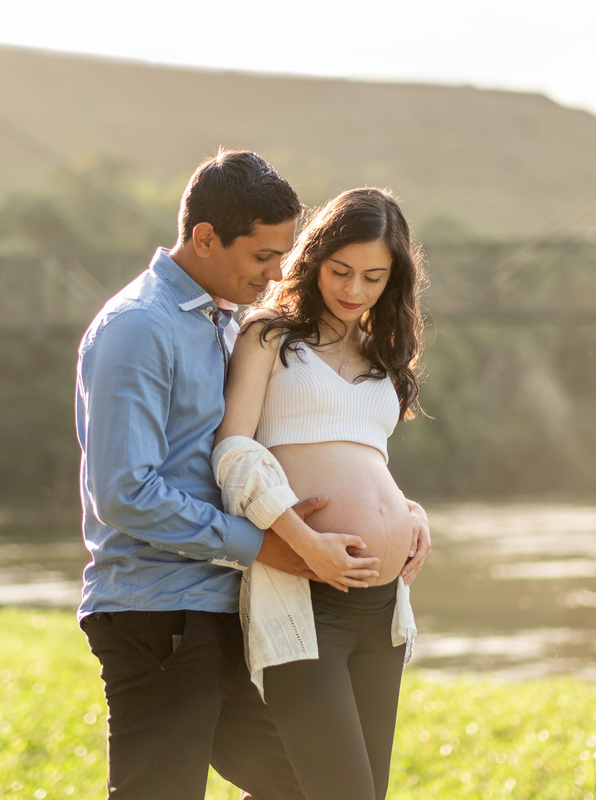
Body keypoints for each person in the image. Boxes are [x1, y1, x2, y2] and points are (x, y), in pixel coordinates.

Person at [75, 150, 406, 800]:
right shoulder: (140, 328)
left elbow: (277, 442)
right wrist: (268, 545)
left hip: (223, 603)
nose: (278, 272)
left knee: (309, 788)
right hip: (161, 609)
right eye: (263, 256)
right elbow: (125, 494)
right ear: (204, 238)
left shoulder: (224, 322)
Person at [212, 187, 431, 800]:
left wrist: (410, 513)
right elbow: (232, 451)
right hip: (308, 597)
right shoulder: (270, 335)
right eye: (341, 270)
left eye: (373, 276)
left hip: (382, 607)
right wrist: (303, 540)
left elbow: (365, 460)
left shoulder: (381, 356)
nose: (354, 289)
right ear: (314, 256)